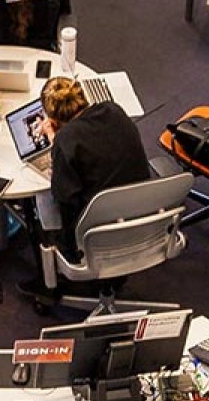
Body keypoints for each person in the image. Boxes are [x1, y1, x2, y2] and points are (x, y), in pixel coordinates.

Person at [33, 75, 152, 262]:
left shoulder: (65, 141)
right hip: (141, 209)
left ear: (53, 120)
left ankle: (53, 276)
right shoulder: (114, 110)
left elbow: (64, 199)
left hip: (95, 229)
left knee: (40, 202)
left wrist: (57, 146)